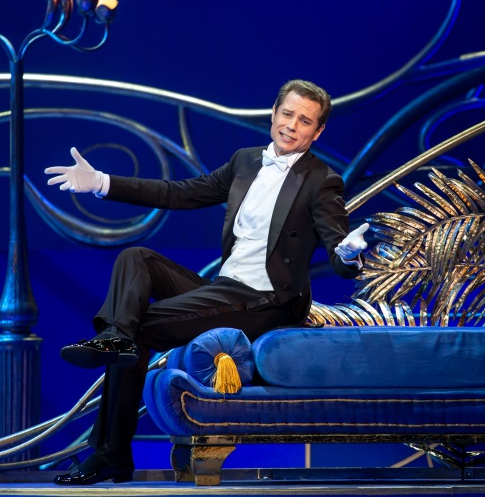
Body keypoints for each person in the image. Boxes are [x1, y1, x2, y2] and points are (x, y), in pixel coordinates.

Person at [44, 79, 368, 485]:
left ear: (317, 132)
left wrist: (347, 255)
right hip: (225, 288)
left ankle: (111, 453)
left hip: (266, 300)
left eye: (305, 121)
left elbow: (338, 243)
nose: (291, 125)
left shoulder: (321, 180)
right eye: (287, 114)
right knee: (135, 259)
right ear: (273, 113)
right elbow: (180, 193)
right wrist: (102, 182)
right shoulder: (245, 161)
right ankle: (116, 340)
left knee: (133, 331)